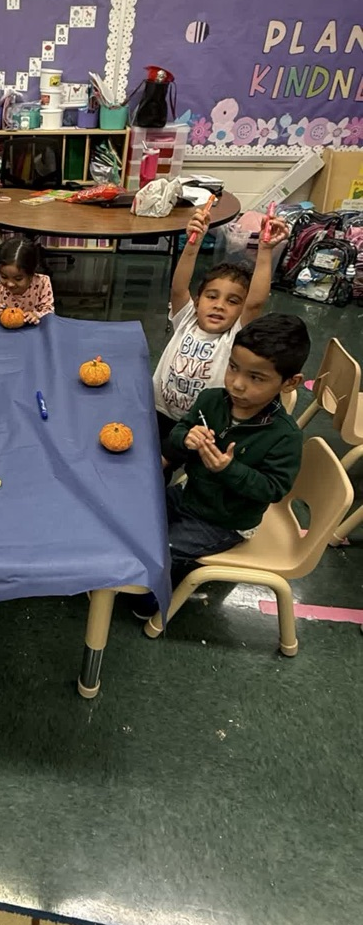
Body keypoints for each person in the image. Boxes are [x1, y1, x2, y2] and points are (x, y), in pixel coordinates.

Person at [134, 313, 309, 619]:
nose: (237, 385)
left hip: (225, 521)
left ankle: (150, 601)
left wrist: (228, 470)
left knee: (168, 548)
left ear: (290, 382)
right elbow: (177, 434)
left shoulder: (285, 436)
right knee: (136, 510)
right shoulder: (212, 400)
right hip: (190, 495)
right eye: (233, 368)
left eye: (256, 378)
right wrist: (185, 438)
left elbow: (274, 489)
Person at [153, 204, 289, 464]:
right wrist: (193, 243)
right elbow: (178, 287)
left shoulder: (234, 337)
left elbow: (256, 302)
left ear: (241, 310)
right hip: (159, 410)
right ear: (197, 300)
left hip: (198, 425)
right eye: (212, 296)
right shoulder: (187, 320)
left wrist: (265, 251)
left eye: (232, 301)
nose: (219, 305)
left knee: (161, 465)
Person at [0, 236, 54, 324]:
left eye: (18, 279)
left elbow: (49, 313)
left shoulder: (42, 283)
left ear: (31, 274)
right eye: (4, 277)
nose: (10, 284)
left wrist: (36, 315)